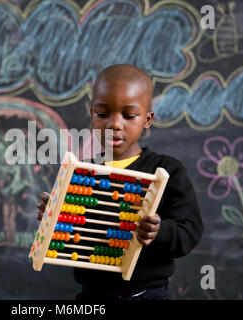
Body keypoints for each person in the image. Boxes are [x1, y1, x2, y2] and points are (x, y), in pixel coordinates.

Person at [36, 64, 203, 300]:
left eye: (129, 115)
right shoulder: (83, 175)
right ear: (92, 115)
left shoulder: (167, 171)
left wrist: (159, 232)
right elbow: (76, 236)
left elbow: (190, 232)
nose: (115, 124)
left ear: (147, 119)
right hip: (93, 295)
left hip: (148, 295)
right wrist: (54, 220)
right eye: (103, 114)